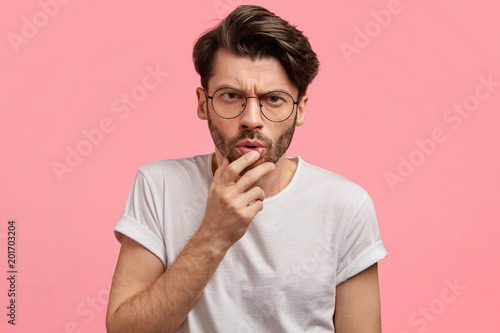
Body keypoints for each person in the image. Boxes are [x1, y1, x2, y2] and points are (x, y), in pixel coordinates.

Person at [106, 5, 387, 333]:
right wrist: (214, 235)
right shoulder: (158, 186)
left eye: (273, 99)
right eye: (231, 95)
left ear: (300, 110)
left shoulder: (346, 206)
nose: (251, 119)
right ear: (202, 103)